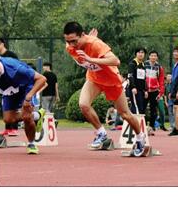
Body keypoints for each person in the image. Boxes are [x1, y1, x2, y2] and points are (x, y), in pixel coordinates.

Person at [62, 22, 147, 155]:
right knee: (83, 104)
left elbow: (116, 61)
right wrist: (85, 42)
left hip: (112, 81)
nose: (72, 45)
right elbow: (77, 43)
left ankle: (140, 138)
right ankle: (101, 133)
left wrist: (91, 59)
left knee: (125, 114)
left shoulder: (96, 44)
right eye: (68, 41)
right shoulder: (70, 47)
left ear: (82, 35)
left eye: (74, 41)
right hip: (94, 79)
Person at [0, 53, 47, 154]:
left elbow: (42, 79)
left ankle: (31, 144)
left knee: (27, 116)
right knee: (8, 119)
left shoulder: (15, 69)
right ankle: (37, 115)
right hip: (9, 89)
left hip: (25, 87)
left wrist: (28, 98)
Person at [0, 38, 21, 137]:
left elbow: (17, 68)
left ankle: (14, 128)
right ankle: (7, 128)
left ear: (2, 44)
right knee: (6, 107)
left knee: (13, 107)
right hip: (3, 87)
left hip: (14, 85)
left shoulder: (11, 55)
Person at [144, 50, 166, 130]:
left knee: (153, 110)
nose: (153, 57)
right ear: (149, 56)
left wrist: (161, 92)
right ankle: (143, 126)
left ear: (157, 57)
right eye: (152, 55)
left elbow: (161, 81)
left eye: (155, 56)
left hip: (154, 91)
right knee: (142, 108)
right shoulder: (144, 65)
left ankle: (151, 126)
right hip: (145, 91)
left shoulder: (159, 67)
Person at [127, 47, 147, 116]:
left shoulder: (143, 65)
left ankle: (137, 123)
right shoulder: (132, 64)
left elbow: (144, 79)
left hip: (141, 90)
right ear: (136, 54)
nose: (140, 54)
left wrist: (145, 90)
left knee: (141, 108)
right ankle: (134, 122)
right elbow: (130, 76)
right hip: (134, 90)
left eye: (142, 52)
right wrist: (133, 87)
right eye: (139, 52)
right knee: (136, 108)